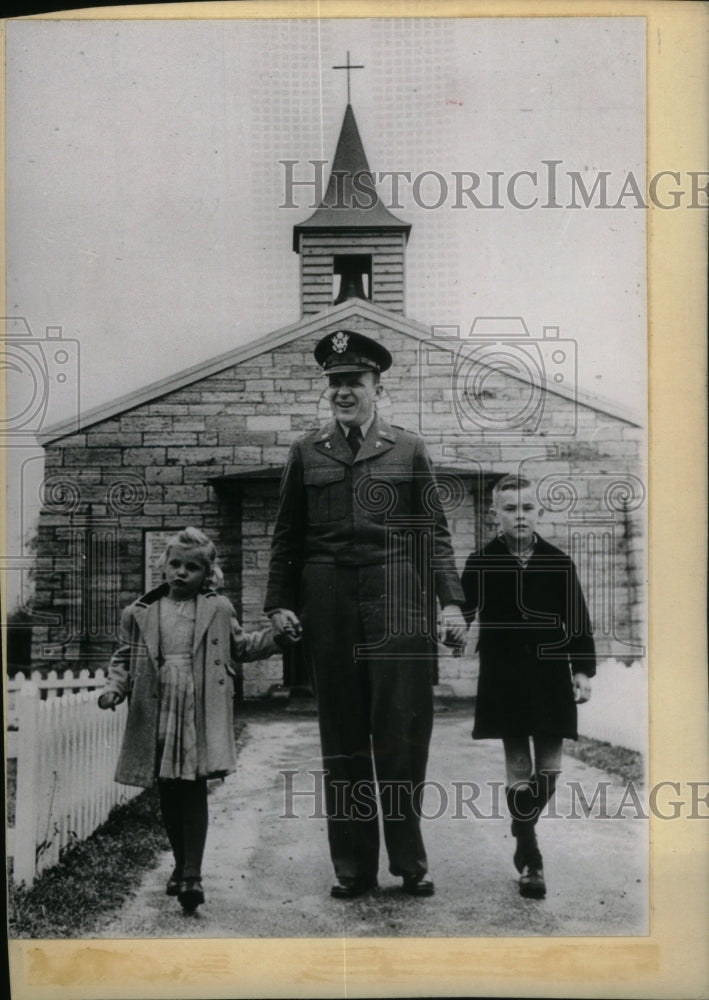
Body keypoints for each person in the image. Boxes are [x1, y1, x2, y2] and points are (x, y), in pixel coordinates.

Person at [265, 329, 466, 899]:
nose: (343, 391)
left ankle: (410, 862)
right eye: (335, 382)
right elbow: (287, 536)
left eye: (353, 381)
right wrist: (279, 601)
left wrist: (450, 602)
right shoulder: (306, 452)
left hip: (399, 599)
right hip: (327, 603)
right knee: (344, 738)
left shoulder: (408, 448)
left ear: (377, 385)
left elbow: (435, 534)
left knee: (401, 734)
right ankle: (352, 867)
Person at [98, 526, 297, 912]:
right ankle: (180, 863)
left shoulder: (218, 609)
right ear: (163, 566)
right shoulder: (140, 613)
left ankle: (192, 874)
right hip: (158, 706)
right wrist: (115, 689)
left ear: (208, 575)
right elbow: (124, 658)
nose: (181, 573)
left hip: (199, 705)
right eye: (175, 564)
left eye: (192, 567)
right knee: (168, 789)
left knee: (193, 788)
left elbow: (242, 647)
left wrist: (278, 639)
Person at [460, 474, 595, 899]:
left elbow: (578, 622)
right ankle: (530, 857)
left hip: (551, 674)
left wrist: (582, 670)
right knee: (518, 763)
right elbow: (460, 612)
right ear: (494, 514)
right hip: (503, 676)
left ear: (539, 511)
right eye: (511, 508)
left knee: (550, 771)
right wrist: (449, 627)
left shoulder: (558, 562)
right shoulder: (481, 562)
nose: (520, 515)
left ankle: (521, 826)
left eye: (528, 508)